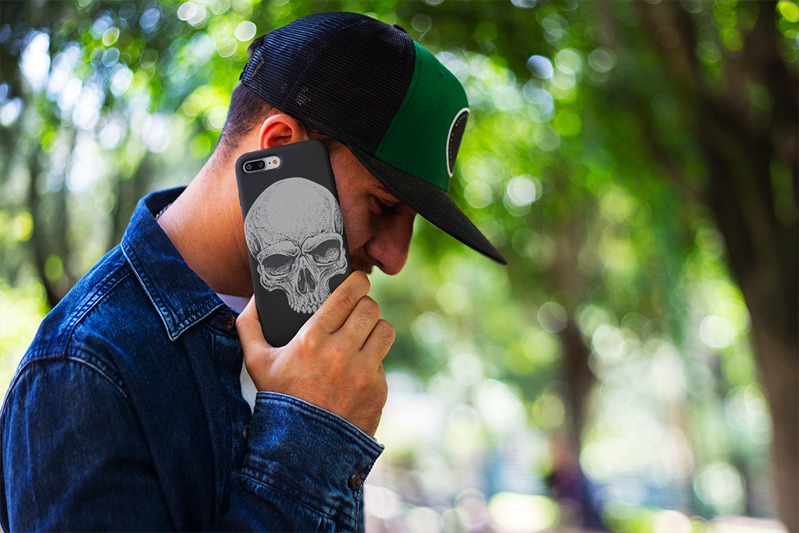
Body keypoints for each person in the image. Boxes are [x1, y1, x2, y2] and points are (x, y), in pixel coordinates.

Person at [0, 11, 506, 531]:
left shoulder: (310, 344)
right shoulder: (82, 369)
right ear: (281, 147)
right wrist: (310, 432)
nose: (395, 258)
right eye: (382, 205)